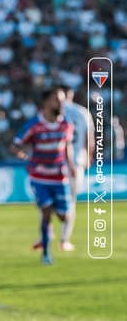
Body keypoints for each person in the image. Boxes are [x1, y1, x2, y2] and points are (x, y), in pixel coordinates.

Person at [11, 88, 75, 265]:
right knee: (46, 213)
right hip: (39, 176)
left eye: (62, 100)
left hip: (59, 176)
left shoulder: (66, 125)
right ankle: (46, 253)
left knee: (64, 216)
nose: (61, 104)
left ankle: (53, 212)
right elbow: (16, 144)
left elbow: (67, 146)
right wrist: (21, 154)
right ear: (46, 102)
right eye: (57, 100)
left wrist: (71, 165)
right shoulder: (34, 125)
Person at [45, 84, 93, 251]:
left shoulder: (52, 113)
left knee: (48, 201)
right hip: (76, 162)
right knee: (70, 202)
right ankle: (64, 240)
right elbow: (90, 139)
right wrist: (89, 157)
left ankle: (46, 234)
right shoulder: (83, 112)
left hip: (53, 162)